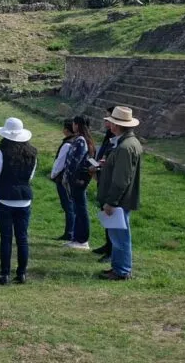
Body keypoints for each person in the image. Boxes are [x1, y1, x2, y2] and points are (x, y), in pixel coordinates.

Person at [0, 117, 37, 285]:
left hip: (4, 198)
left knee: (6, 237)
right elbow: (30, 176)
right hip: (24, 198)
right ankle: (22, 272)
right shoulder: (32, 152)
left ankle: (5, 273)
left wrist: (2, 185)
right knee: (22, 237)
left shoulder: (3, 152)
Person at [97, 106, 143, 281]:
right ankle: (118, 267)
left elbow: (121, 180)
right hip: (123, 198)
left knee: (120, 237)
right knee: (117, 236)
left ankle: (122, 270)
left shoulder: (124, 147)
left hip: (120, 199)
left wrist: (111, 201)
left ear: (116, 126)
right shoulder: (129, 143)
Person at [63, 116, 96, 250]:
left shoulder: (81, 141)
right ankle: (77, 237)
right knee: (78, 209)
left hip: (77, 180)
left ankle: (82, 239)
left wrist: (68, 177)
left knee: (80, 209)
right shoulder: (86, 140)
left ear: (77, 125)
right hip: (79, 179)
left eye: (74, 124)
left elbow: (75, 161)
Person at [91, 106, 117, 263]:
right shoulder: (110, 135)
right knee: (106, 215)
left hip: (110, 182)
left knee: (112, 216)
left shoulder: (118, 139)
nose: (105, 121)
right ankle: (108, 245)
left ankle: (112, 250)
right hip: (103, 177)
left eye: (108, 119)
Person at [50, 119, 75, 242]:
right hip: (71, 178)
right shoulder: (76, 141)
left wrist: (53, 174)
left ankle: (69, 232)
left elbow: (60, 162)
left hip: (63, 179)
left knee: (68, 206)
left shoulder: (67, 144)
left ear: (66, 130)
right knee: (70, 206)